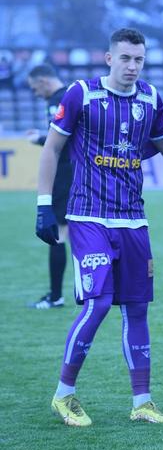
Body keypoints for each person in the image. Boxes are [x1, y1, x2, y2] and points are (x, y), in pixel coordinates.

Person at [37, 28, 163, 427]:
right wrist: (44, 205)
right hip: (88, 215)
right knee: (98, 304)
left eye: (138, 59)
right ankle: (64, 394)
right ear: (109, 58)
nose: (132, 66)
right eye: (125, 58)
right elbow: (53, 148)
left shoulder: (150, 98)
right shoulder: (81, 94)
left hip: (133, 219)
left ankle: (142, 402)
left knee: (137, 309)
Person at [27, 64, 73, 309]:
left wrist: (39, 139)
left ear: (43, 81)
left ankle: (56, 297)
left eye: (35, 88)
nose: (36, 94)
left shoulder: (58, 100)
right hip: (75, 172)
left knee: (58, 235)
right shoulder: (69, 95)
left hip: (64, 174)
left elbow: (63, 140)